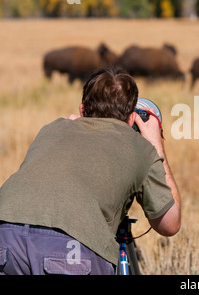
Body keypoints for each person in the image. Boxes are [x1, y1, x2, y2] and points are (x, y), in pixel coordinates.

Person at [0, 67, 181, 275]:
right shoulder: (139, 147)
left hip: (5, 235)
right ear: (131, 119)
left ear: (82, 110)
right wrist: (156, 146)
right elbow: (170, 224)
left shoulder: (51, 129)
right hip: (70, 248)